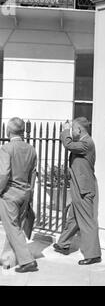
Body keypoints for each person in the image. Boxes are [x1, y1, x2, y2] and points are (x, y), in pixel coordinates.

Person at [53, 117, 101, 265]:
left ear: (79, 130)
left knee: (87, 221)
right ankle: (63, 244)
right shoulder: (83, 142)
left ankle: (93, 254)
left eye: (73, 129)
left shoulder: (87, 143)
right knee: (73, 218)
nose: (72, 132)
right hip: (78, 187)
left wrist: (65, 130)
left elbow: (68, 144)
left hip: (84, 189)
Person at [0, 117, 38, 273]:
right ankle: (7, 259)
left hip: (9, 194)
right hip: (25, 193)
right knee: (14, 228)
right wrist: (30, 193)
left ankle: (27, 260)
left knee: (12, 228)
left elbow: (4, 174)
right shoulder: (31, 149)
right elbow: (33, 174)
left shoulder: (6, 148)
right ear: (23, 131)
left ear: (8, 131)